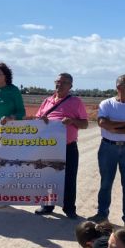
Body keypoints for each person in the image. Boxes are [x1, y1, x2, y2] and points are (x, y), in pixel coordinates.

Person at [87, 74, 125, 226]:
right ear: (119, 87)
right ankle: (102, 214)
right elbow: (102, 122)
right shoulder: (106, 104)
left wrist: (115, 128)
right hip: (108, 148)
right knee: (105, 183)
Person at [35, 73, 88, 218]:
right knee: (48, 177)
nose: (60, 84)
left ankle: (69, 208)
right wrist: (42, 120)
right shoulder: (47, 101)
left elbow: (85, 124)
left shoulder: (76, 102)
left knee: (69, 179)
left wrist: (72, 121)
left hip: (68, 146)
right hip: (49, 147)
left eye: (64, 82)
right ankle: (47, 206)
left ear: (70, 86)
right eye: (58, 82)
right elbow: (37, 121)